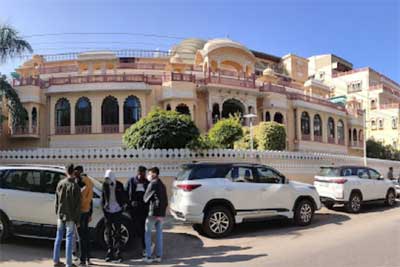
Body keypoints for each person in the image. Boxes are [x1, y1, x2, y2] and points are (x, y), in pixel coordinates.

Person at [53, 164, 81, 267]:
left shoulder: (60, 183)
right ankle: (69, 263)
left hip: (61, 215)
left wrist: (57, 211)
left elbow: (56, 199)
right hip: (71, 216)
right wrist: (77, 220)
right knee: (69, 238)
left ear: (66, 171)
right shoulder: (75, 186)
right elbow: (78, 205)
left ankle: (56, 260)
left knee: (59, 236)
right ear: (73, 172)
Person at [143, 167, 168, 263]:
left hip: (153, 213)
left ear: (154, 174)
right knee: (159, 235)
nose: (148, 175)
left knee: (147, 234)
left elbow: (145, 198)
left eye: (149, 173)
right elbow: (165, 200)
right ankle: (158, 256)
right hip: (161, 214)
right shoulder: (162, 184)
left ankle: (148, 257)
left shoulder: (152, 184)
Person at [102, 170, 126, 263]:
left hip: (117, 211)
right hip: (108, 212)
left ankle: (118, 253)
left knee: (118, 232)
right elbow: (103, 198)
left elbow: (123, 196)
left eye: (108, 178)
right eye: (106, 178)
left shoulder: (119, 185)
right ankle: (110, 252)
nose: (107, 180)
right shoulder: (105, 185)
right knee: (108, 233)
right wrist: (104, 208)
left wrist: (122, 206)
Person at [126, 166, 149, 257]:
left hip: (143, 210)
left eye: (143, 173)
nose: (142, 175)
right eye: (140, 173)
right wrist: (130, 202)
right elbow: (126, 193)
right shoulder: (131, 181)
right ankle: (134, 248)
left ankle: (144, 248)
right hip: (133, 210)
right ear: (138, 173)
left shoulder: (147, 182)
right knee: (135, 229)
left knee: (143, 229)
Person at [75, 166, 93, 266]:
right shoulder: (89, 182)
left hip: (80, 213)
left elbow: (77, 201)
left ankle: (82, 260)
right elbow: (91, 200)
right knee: (86, 236)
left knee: (81, 237)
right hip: (87, 212)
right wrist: (90, 213)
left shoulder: (80, 184)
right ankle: (88, 258)